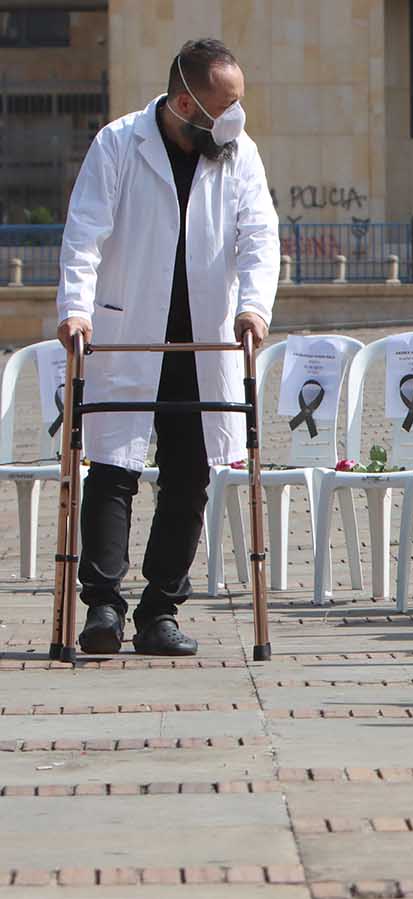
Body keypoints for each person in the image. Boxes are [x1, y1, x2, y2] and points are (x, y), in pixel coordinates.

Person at [55, 38, 278, 657]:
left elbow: (259, 235)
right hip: (129, 333)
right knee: (112, 468)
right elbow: (84, 234)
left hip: (202, 339)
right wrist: (75, 309)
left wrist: (254, 307)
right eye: (223, 105)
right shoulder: (118, 143)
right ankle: (101, 606)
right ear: (185, 102)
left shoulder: (239, 155)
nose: (234, 118)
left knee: (189, 474)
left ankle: (159, 611)